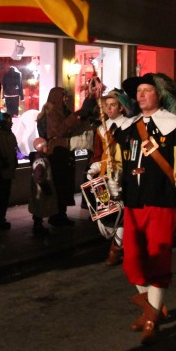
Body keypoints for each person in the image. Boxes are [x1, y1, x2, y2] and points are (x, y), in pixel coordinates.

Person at [114, 73, 176, 344]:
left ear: (159, 94)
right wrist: (114, 181)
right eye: (138, 92)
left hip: (161, 202)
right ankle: (152, 308)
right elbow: (117, 162)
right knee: (133, 261)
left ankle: (151, 318)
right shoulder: (127, 128)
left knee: (158, 260)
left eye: (147, 90)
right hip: (134, 203)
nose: (141, 95)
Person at [86, 90, 128, 265]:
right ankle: (117, 244)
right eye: (106, 106)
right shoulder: (101, 129)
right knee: (110, 211)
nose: (109, 109)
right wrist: (95, 167)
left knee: (125, 212)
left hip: (124, 173)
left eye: (113, 105)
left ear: (121, 107)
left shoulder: (129, 125)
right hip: (105, 174)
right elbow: (97, 153)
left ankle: (116, 248)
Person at [39, 87, 85, 227]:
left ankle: (61, 214)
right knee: (59, 184)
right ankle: (57, 215)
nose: (66, 99)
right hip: (57, 154)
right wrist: (74, 118)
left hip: (64, 152)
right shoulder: (53, 113)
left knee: (63, 184)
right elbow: (59, 131)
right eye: (63, 96)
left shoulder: (62, 111)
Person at [28, 137, 57, 238]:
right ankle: (38, 227)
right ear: (42, 147)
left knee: (39, 208)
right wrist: (46, 188)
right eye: (46, 146)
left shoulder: (40, 159)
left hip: (40, 189)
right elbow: (38, 176)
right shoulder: (40, 161)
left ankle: (38, 226)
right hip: (41, 190)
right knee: (39, 208)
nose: (48, 147)